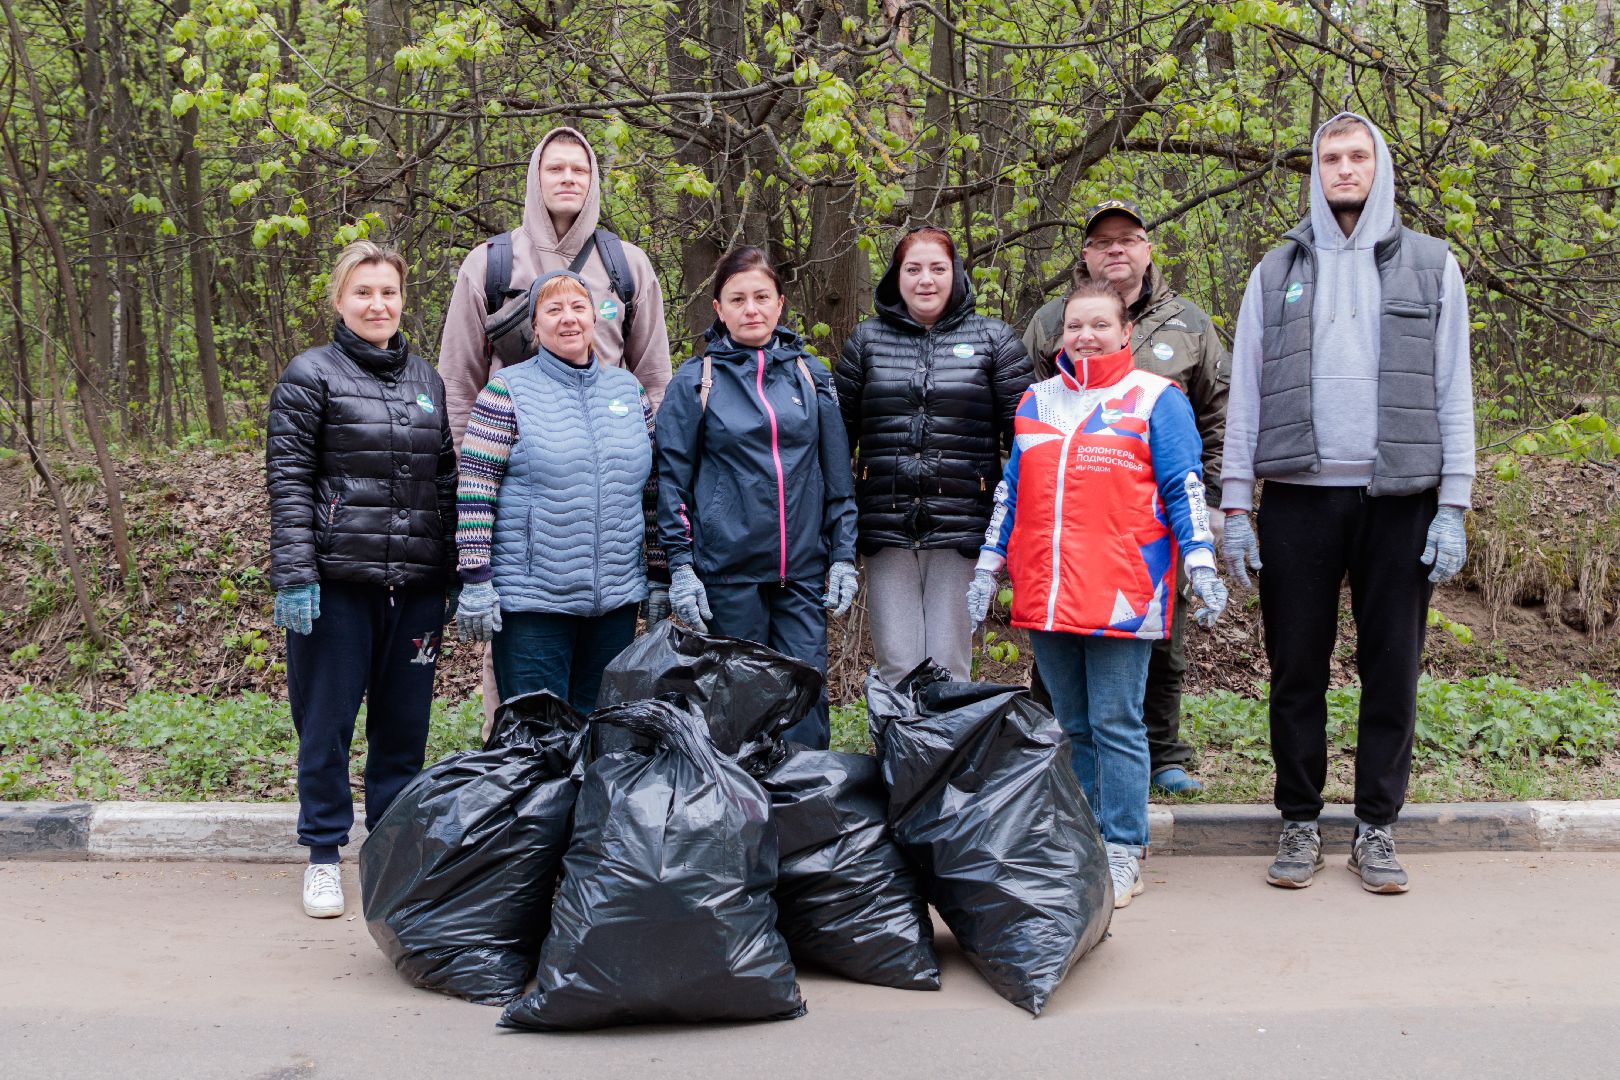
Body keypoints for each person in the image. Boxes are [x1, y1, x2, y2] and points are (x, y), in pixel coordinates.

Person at [1220, 112, 1475, 895]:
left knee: (1390, 670)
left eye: (1358, 156)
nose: (1344, 168)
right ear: (1315, 170)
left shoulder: (1433, 266)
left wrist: (1454, 505)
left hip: (1400, 499)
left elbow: (1453, 386)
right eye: (1331, 157)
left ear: (1381, 166)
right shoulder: (1276, 269)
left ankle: (1375, 829)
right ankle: (1299, 821)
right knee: (1296, 669)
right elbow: (1247, 395)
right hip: (1299, 497)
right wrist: (1236, 505)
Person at [969, 277, 1227, 909]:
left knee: (1117, 723)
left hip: (1123, 591)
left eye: (1099, 325)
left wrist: (1201, 560)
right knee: (1072, 724)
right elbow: (1012, 491)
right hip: (1048, 590)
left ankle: (1122, 845)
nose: (1085, 336)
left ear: (1125, 332)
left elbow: (1183, 487)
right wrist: (987, 564)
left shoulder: (1155, 398)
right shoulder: (1035, 401)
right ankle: (1084, 839)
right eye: (1074, 326)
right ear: (1061, 334)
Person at [436, 126, 673, 726]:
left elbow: (654, 382)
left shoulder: (627, 264)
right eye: (555, 169)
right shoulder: (492, 262)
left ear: (594, 181)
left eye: (580, 170)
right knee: (524, 714)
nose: (568, 179)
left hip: (611, 547)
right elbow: (458, 383)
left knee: (602, 716)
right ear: (535, 179)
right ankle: (517, 804)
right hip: (528, 538)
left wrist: (663, 564)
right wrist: (481, 496)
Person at [266, 241, 456, 919]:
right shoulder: (308, 375)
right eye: (364, 293)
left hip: (415, 589)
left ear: (404, 301)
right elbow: (288, 482)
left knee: (403, 730)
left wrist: (453, 573)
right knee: (327, 725)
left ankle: (389, 851)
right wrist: (294, 573)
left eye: (389, 293)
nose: (378, 305)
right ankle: (323, 854)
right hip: (336, 586)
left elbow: (445, 483)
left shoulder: (427, 382)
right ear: (339, 300)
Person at [1023, 199, 1230, 796]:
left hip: (1163, 511)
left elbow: (1217, 411)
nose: (1116, 249)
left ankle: (1163, 751)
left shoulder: (1188, 321)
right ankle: (1060, 754)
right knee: (1059, 629)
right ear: (1086, 255)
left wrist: (1210, 501)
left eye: (1128, 238)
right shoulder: (1051, 319)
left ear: (1147, 249)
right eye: (1102, 241)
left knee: (1161, 634)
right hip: (1072, 516)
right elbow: (1030, 411)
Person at [655, 246, 859, 748]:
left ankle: (805, 807)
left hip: (802, 573)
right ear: (719, 310)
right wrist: (680, 566)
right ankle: (739, 813)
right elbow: (671, 482)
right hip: (729, 573)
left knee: (804, 700)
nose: (752, 309)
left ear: (780, 303)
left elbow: (838, 477)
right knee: (737, 704)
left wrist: (844, 556)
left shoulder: (812, 376)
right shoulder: (695, 382)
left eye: (761, 297)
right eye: (738, 299)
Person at [451, 270, 662, 713]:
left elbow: (654, 489)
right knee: (537, 743)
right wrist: (475, 578)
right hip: (533, 605)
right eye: (554, 309)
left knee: (598, 736)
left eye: (578, 307)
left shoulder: (628, 390)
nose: (568, 319)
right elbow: (475, 489)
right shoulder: (506, 392)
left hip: (616, 602)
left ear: (595, 318)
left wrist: (659, 572)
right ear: (535, 325)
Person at [835, 226, 1031, 685]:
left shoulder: (994, 340)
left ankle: (950, 757)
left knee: (948, 665)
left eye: (937, 268)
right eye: (914, 269)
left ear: (956, 273)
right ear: (896, 277)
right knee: (898, 666)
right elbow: (836, 440)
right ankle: (900, 755)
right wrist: (837, 535)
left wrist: (1015, 531)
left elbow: (1026, 442)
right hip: (886, 528)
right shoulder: (865, 342)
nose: (926, 280)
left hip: (962, 528)